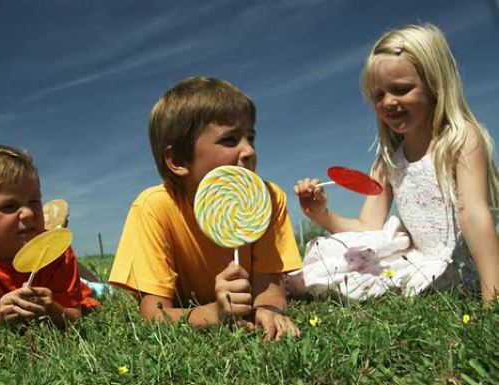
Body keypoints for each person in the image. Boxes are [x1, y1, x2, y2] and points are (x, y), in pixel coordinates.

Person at [292, 23, 499, 304]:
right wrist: (321, 215)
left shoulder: (459, 139)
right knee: (339, 255)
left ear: (435, 84)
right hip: (419, 261)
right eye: (379, 95)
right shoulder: (389, 161)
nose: (389, 102)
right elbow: (368, 225)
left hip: (458, 267)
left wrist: (492, 298)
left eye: (401, 89)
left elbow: (474, 215)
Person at [109, 77, 303, 341]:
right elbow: (153, 314)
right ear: (177, 159)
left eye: (251, 138)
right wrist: (214, 314)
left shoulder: (269, 199)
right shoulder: (153, 208)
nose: (249, 150)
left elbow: (270, 288)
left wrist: (267, 309)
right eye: (230, 139)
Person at [0, 145, 99, 331]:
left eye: (34, 202)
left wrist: (51, 309)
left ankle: (96, 287)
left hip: (69, 292)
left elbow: (74, 315)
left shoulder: (56, 253)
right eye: (9, 206)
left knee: (93, 291)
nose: (28, 213)